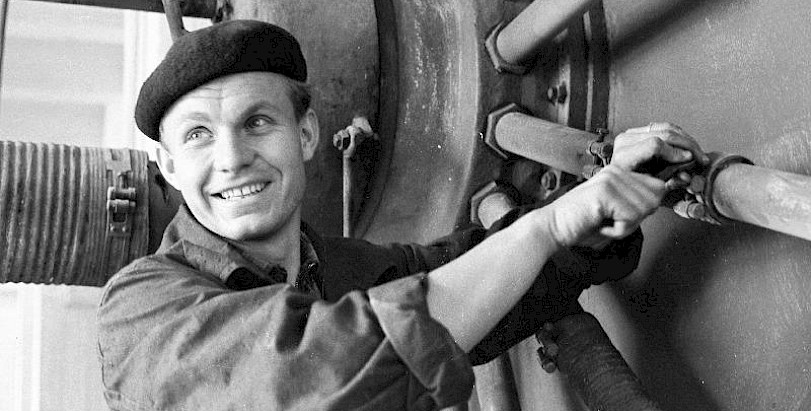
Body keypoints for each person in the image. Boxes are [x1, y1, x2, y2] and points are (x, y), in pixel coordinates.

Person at [97, 20, 708, 411]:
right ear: (169, 166)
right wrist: (548, 225)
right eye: (198, 136)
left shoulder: (336, 268)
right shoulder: (140, 308)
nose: (231, 159)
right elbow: (311, 374)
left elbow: (469, 278)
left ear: (306, 134)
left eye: (257, 122)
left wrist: (605, 199)